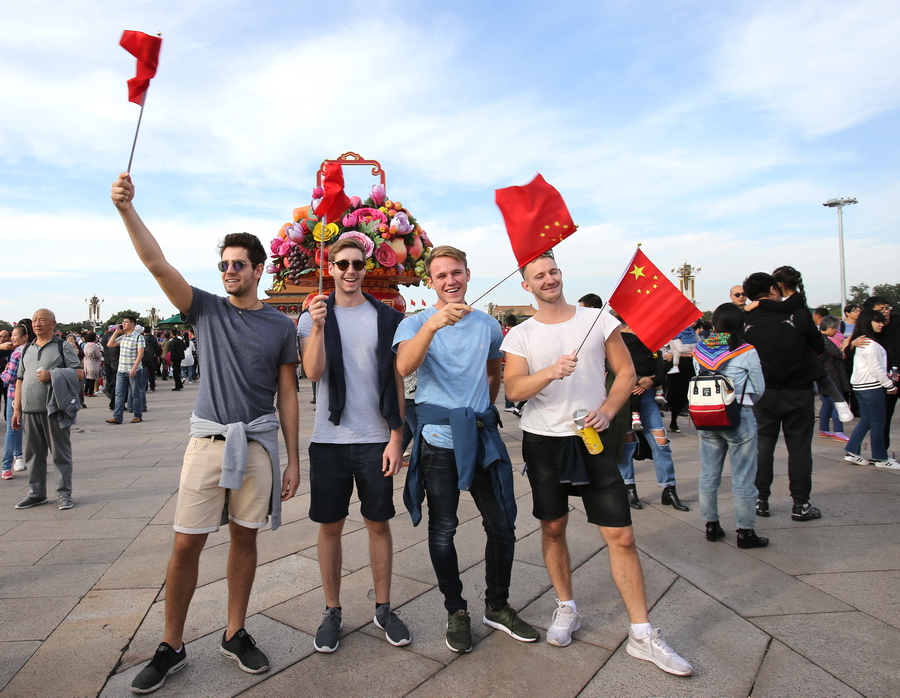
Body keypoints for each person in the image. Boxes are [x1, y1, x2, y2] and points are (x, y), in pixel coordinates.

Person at [112, 173, 300, 694]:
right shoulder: (206, 309)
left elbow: (287, 394)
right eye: (223, 265)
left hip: (257, 444)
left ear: (259, 269)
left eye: (238, 264)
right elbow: (156, 263)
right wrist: (127, 210)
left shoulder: (281, 326)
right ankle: (171, 644)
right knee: (185, 545)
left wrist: (293, 459)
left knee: (245, 539)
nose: (229, 271)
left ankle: (235, 632)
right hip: (208, 441)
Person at [502, 252, 692, 675]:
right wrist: (550, 372)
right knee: (553, 527)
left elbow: (625, 373)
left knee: (621, 534)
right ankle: (566, 607)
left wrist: (607, 410)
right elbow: (513, 389)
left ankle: (642, 633)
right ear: (527, 285)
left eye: (553, 271)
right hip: (544, 442)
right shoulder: (521, 334)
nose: (548, 279)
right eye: (539, 275)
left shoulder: (598, 319)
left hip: (591, 439)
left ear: (561, 274)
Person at [394, 245, 538, 654]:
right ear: (430, 282)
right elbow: (404, 367)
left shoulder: (488, 325)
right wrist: (432, 326)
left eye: (456, 272)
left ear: (468, 274)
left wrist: (478, 411)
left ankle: (498, 604)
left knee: (502, 525)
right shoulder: (415, 322)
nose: (450, 281)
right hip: (438, 440)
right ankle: (455, 610)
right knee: (443, 527)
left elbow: (494, 374)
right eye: (441, 275)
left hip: (480, 436)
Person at [297, 238, 410, 653]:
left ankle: (383, 607)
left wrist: (397, 436)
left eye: (357, 264)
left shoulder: (387, 318)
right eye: (342, 263)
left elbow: (397, 380)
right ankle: (332, 609)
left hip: (376, 438)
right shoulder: (313, 316)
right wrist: (319, 326)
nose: (349, 270)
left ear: (367, 268)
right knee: (330, 526)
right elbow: (312, 372)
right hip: (329, 439)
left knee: (378, 523)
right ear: (331, 267)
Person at [742, 272, 824, 521]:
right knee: (799, 448)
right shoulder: (798, 314)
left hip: (762, 393)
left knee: (763, 447)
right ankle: (800, 504)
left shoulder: (746, 319)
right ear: (773, 289)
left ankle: (760, 500)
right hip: (797, 391)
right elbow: (819, 346)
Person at [693, 304, 768, 548]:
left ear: (714, 323)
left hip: (706, 416)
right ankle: (745, 531)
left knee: (708, 474)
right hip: (738, 415)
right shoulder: (746, 350)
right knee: (743, 476)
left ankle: (711, 525)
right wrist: (744, 403)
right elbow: (759, 387)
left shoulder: (700, 349)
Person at [12, 309, 83, 510]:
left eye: (42, 320)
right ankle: (36, 493)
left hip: (54, 409)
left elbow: (79, 372)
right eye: (34, 320)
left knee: (60, 453)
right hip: (29, 409)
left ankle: (64, 494)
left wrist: (52, 374)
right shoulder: (27, 348)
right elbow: (20, 380)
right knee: (33, 454)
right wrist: (17, 409)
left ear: (53, 324)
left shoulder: (62, 346)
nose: (37, 323)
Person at [617, 323, 689, 512]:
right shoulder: (613, 340)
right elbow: (608, 366)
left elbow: (660, 364)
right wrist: (637, 378)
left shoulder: (649, 339)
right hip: (622, 396)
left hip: (647, 395)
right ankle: (628, 486)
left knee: (661, 440)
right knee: (627, 442)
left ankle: (669, 487)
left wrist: (650, 381)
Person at [843, 309, 899, 468]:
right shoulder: (870, 344)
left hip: (861, 386)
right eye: (877, 321)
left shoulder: (863, 341)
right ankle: (880, 458)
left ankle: (852, 452)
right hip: (872, 387)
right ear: (868, 322)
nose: (881, 324)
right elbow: (875, 368)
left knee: (866, 421)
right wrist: (889, 385)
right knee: (878, 424)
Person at [861, 296, 899, 449]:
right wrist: (852, 344)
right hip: (884, 380)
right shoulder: (870, 331)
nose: (886, 311)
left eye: (887, 307)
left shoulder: (897, 322)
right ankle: (881, 453)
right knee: (884, 418)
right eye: (881, 309)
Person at [2, 320, 35, 479]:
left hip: (14, 395)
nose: (12, 338)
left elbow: (10, 378)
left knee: (12, 430)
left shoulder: (16, 353)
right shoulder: (33, 350)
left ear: (24, 336)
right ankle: (25, 459)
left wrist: (3, 372)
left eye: (15, 335)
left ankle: (6, 467)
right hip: (30, 395)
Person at [106, 316, 146, 425]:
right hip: (121, 369)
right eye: (123, 322)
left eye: (126, 322)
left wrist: (134, 368)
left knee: (135, 394)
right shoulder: (123, 337)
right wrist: (116, 332)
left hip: (133, 369)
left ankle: (137, 415)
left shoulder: (139, 337)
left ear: (133, 324)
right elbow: (109, 344)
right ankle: (117, 416)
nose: (123, 324)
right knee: (119, 394)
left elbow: (140, 354)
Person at [817, 316, 851, 442]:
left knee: (826, 403)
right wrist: (845, 345)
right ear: (829, 327)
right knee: (838, 403)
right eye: (836, 328)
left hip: (822, 376)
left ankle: (824, 429)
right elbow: (839, 354)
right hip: (832, 376)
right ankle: (838, 431)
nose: (837, 331)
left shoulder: (817, 339)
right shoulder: (825, 340)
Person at [82, 332, 102, 398]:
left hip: (87, 362)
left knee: (88, 377)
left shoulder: (86, 345)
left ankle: (85, 391)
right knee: (92, 378)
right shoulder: (94, 346)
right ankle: (90, 392)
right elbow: (98, 354)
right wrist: (100, 351)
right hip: (93, 363)